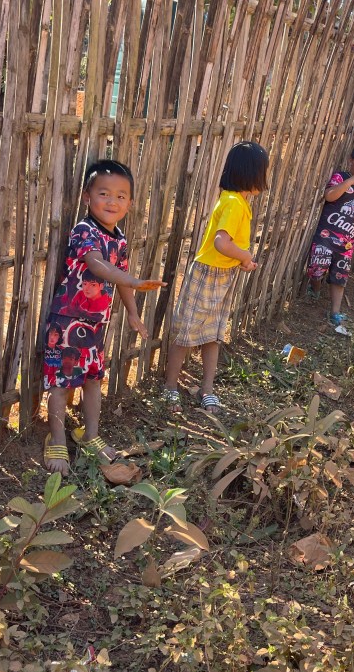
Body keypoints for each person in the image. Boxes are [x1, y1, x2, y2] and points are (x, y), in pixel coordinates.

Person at [42, 159, 164, 474]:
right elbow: (98, 265)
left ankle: (90, 436)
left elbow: (119, 277)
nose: (112, 201)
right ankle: (56, 441)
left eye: (121, 196)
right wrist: (133, 281)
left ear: (130, 203)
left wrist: (133, 312)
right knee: (61, 383)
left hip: (96, 325)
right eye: (104, 193)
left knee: (94, 380)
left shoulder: (119, 239)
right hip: (68, 321)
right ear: (87, 196)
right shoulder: (85, 231)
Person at [162, 141, 269, 414]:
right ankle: (170, 387)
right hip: (207, 274)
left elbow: (227, 246)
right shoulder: (233, 203)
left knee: (214, 334)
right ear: (252, 174)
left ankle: (207, 389)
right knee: (186, 333)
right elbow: (222, 243)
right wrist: (244, 256)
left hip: (223, 274)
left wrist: (240, 261)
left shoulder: (237, 202)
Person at [307, 141, 354, 327]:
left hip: (346, 243)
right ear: (351, 160)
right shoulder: (341, 177)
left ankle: (335, 312)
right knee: (317, 268)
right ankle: (315, 289)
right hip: (326, 236)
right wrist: (349, 182)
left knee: (340, 277)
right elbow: (329, 195)